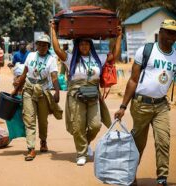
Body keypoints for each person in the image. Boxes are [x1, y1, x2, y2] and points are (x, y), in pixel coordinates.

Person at [114, 19, 176, 186]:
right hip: (141, 105)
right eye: (168, 32)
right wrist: (122, 106)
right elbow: (133, 80)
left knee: (163, 141)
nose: (172, 36)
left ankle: (162, 178)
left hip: (162, 105)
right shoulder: (146, 50)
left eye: (174, 33)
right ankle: (130, 174)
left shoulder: (175, 56)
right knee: (138, 144)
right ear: (161, 32)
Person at [51, 21, 122, 166]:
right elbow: (57, 49)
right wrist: (52, 29)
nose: (84, 46)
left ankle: (85, 143)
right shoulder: (71, 58)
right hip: (75, 96)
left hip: (93, 95)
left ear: (90, 45)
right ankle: (81, 153)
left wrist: (119, 36)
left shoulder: (98, 58)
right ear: (77, 46)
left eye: (87, 44)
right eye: (81, 44)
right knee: (78, 126)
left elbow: (114, 54)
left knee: (95, 125)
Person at [12, 34, 61, 161]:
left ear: (48, 46)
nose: (42, 46)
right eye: (39, 44)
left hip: (43, 92)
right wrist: (16, 89)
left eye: (44, 45)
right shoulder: (31, 55)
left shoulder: (51, 59)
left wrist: (57, 91)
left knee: (43, 120)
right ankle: (31, 148)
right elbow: (24, 73)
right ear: (36, 45)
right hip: (28, 89)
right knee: (29, 119)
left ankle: (43, 141)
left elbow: (54, 76)